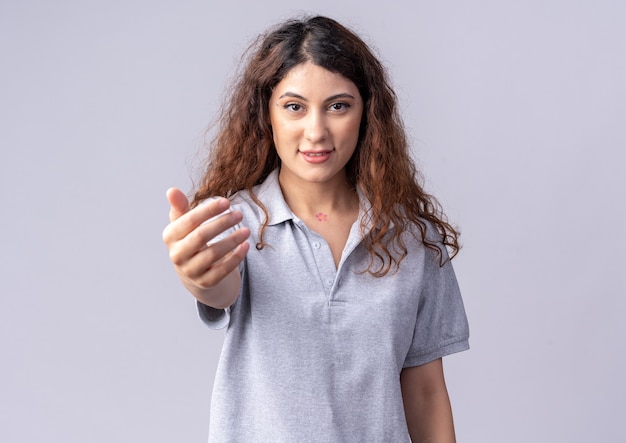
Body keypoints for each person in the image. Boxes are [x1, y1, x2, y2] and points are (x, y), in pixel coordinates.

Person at [162, 15, 469, 443]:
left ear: (367, 113)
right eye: (294, 107)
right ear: (266, 114)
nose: (316, 131)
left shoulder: (412, 239)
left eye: (338, 106)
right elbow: (221, 288)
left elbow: (425, 392)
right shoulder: (235, 223)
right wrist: (201, 276)